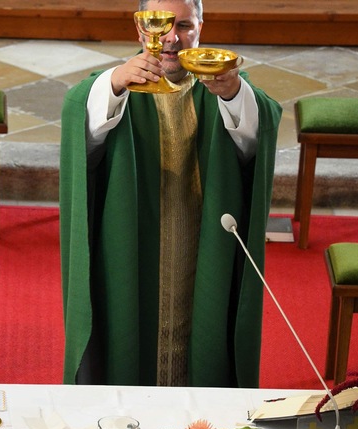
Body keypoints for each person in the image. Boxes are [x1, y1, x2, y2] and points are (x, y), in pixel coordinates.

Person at [59, 0, 282, 387]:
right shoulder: (116, 86)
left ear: (200, 27)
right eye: (159, 26)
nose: (172, 39)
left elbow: (253, 147)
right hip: (131, 253)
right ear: (139, 28)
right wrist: (112, 85)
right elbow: (82, 136)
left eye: (184, 26)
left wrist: (233, 94)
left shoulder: (220, 86)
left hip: (203, 252)